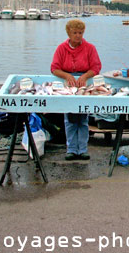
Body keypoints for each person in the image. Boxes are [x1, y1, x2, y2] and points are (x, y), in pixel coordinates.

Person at [51, 19, 102, 160]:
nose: (78, 36)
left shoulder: (90, 48)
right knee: (70, 118)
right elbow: (54, 68)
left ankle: (83, 149)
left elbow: (96, 67)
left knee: (83, 117)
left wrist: (85, 76)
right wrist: (67, 75)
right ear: (69, 33)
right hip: (68, 85)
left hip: (84, 84)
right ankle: (71, 149)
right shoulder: (61, 48)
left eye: (80, 33)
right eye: (75, 33)